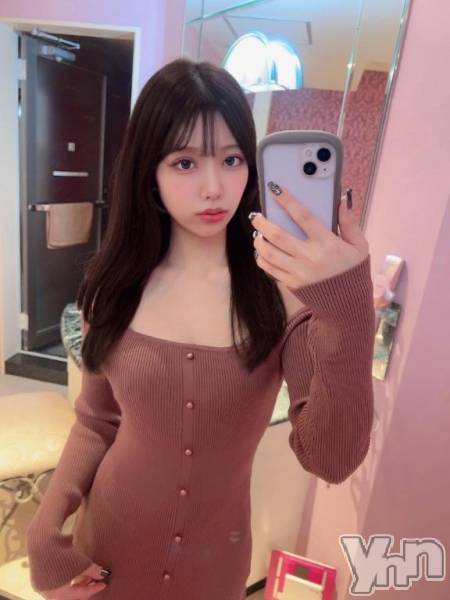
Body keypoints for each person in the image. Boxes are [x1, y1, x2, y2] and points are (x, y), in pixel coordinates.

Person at [25, 57, 375, 600]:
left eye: (232, 159)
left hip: (214, 569)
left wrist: (349, 313)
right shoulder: (114, 283)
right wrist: (45, 530)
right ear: (150, 170)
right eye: (185, 162)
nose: (214, 188)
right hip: (104, 556)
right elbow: (96, 421)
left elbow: (330, 460)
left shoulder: (282, 294)